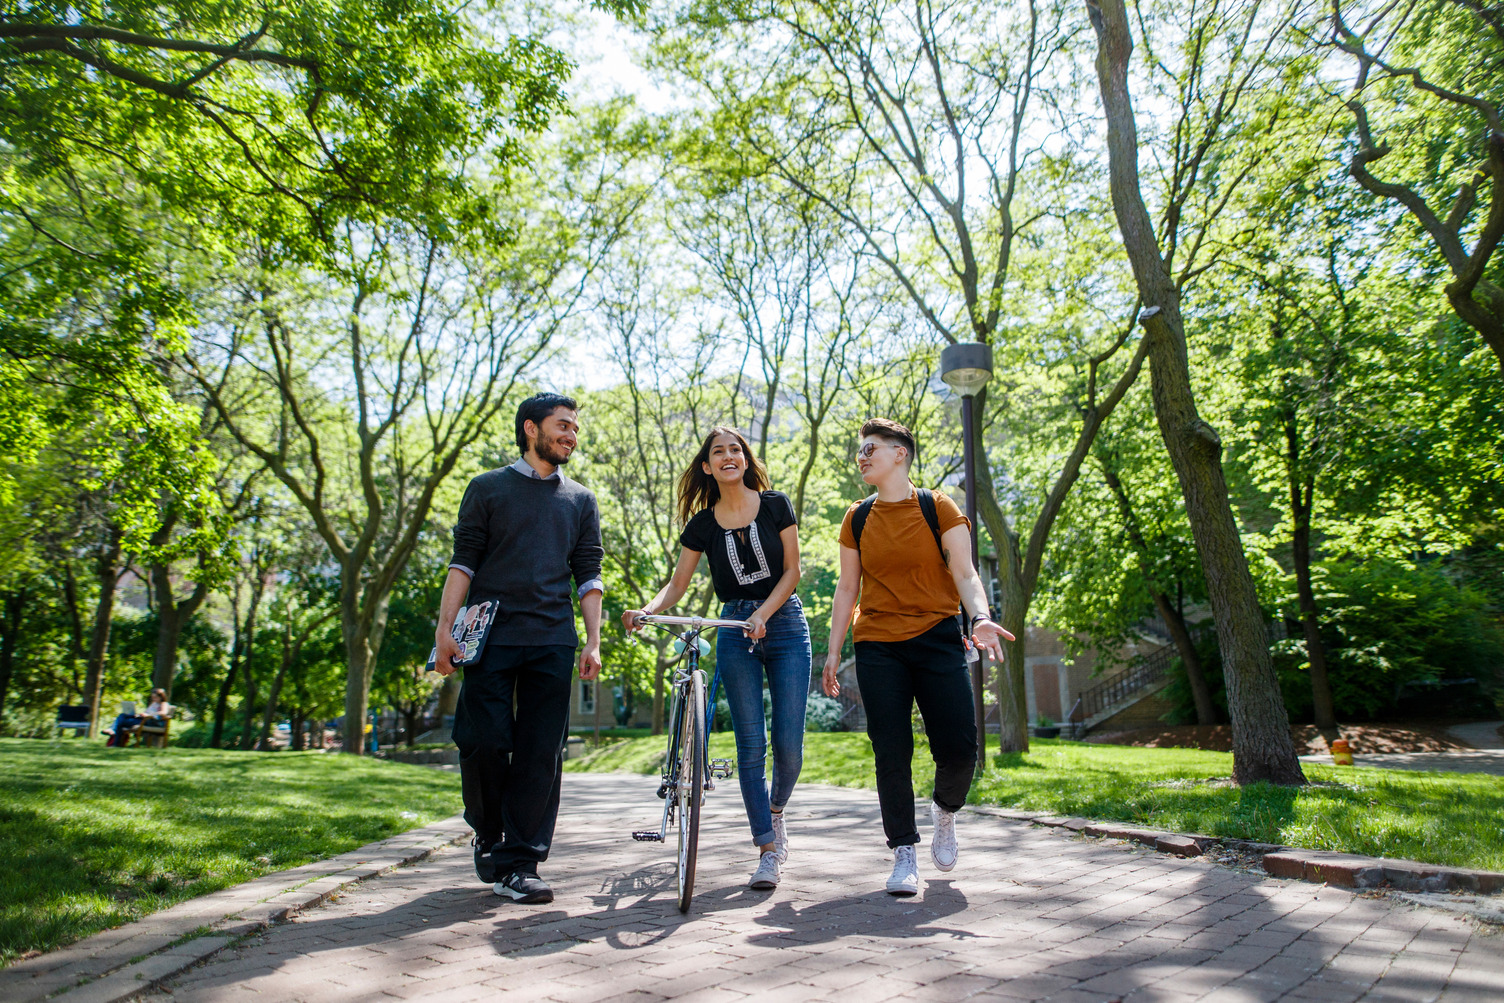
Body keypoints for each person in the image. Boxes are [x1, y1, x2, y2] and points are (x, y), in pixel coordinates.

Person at [821, 418, 1013, 896]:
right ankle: (903, 851)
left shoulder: (937, 507)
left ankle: (945, 811)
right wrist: (832, 650)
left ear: (899, 454)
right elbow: (848, 588)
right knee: (891, 749)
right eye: (860, 450)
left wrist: (981, 618)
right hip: (878, 643)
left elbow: (966, 572)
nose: (862, 457)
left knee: (959, 748)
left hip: (937, 636)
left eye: (871, 449)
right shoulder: (857, 517)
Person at [433, 392, 604, 905]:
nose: (571, 435)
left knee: (540, 752)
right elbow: (463, 562)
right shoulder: (486, 489)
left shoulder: (580, 499)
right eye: (562, 426)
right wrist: (444, 630)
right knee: (483, 739)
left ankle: (521, 862)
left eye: (574, 429)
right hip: (488, 637)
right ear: (531, 429)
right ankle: (487, 830)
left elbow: (589, 573)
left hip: (553, 637)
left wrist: (593, 640)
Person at [624, 426, 810, 892]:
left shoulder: (776, 505)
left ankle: (775, 811)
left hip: (784, 622)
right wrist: (647, 609)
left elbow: (792, 572)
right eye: (718, 453)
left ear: (745, 461)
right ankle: (767, 850)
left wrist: (764, 613)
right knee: (751, 747)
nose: (728, 456)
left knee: (789, 747)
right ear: (708, 467)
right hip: (733, 630)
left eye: (736, 450)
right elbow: (678, 584)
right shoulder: (702, 525)